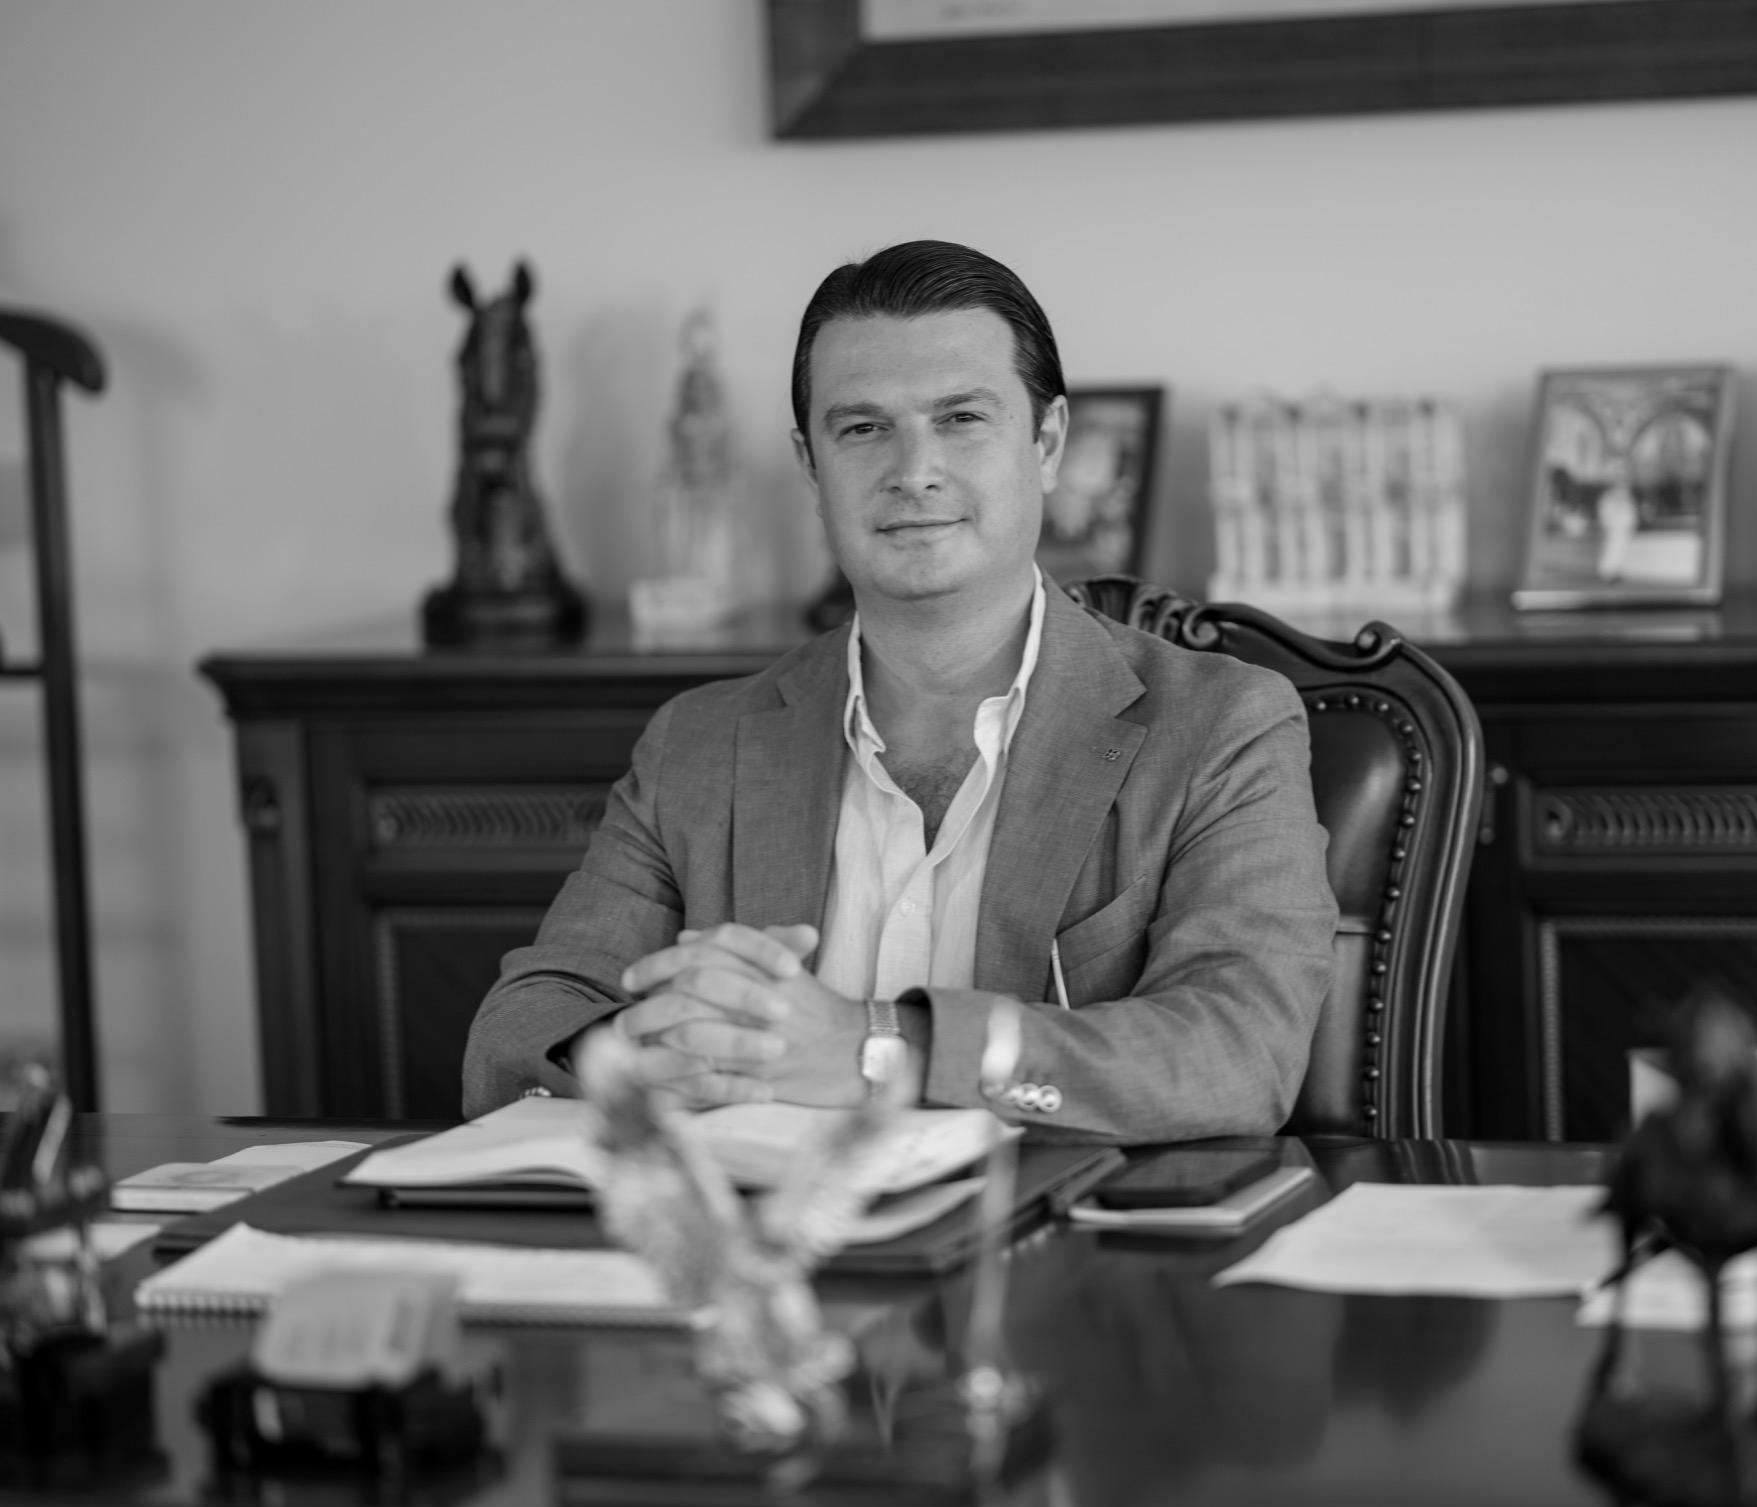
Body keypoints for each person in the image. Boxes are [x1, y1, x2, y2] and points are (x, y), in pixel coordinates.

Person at [462, 239, 1337, 1142]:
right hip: (768, 1253)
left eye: (961, 418)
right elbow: (523, 1029)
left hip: (1065, 1260)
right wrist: (661, 1053)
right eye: (863, 427)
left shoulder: (1222, 724)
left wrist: (874, 1050)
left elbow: (1238, 1058)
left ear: (1047, 443)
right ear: (811, 464)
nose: (913, 470)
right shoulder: (700, 742)